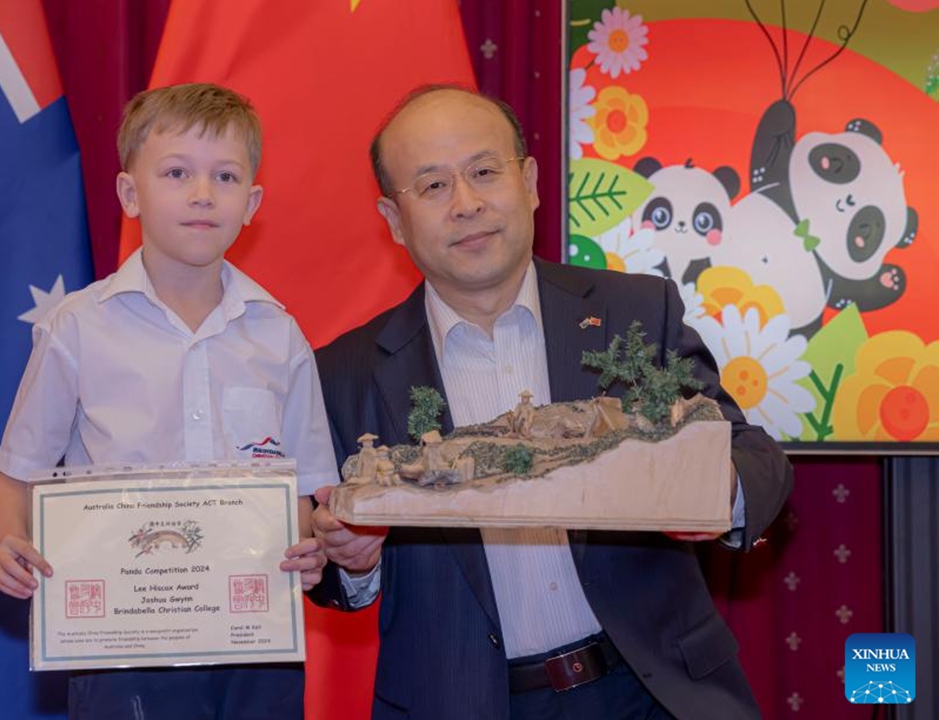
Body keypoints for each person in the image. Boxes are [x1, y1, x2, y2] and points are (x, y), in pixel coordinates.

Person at [308, 86, 793, 720]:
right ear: (394, 220)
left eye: (484, 172)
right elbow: (330, 570)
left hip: (651, 692)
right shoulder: (341, 372)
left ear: (530, 180)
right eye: (432, 187)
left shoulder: (634, 312)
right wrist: (351, 561)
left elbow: (749, 453)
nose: (467, 204)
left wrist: (713, 490)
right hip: (464, 701)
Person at [0, 83, 337, 720]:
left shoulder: (279, 334)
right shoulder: (78, 328)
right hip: (121, 652)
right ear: (130, 193)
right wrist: (11, 543)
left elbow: (310, 491)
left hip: (255, 645)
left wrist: (309, 543)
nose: (203, 193)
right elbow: (16, 473)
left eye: (225, 176)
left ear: (251, 202)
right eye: (176, 172)